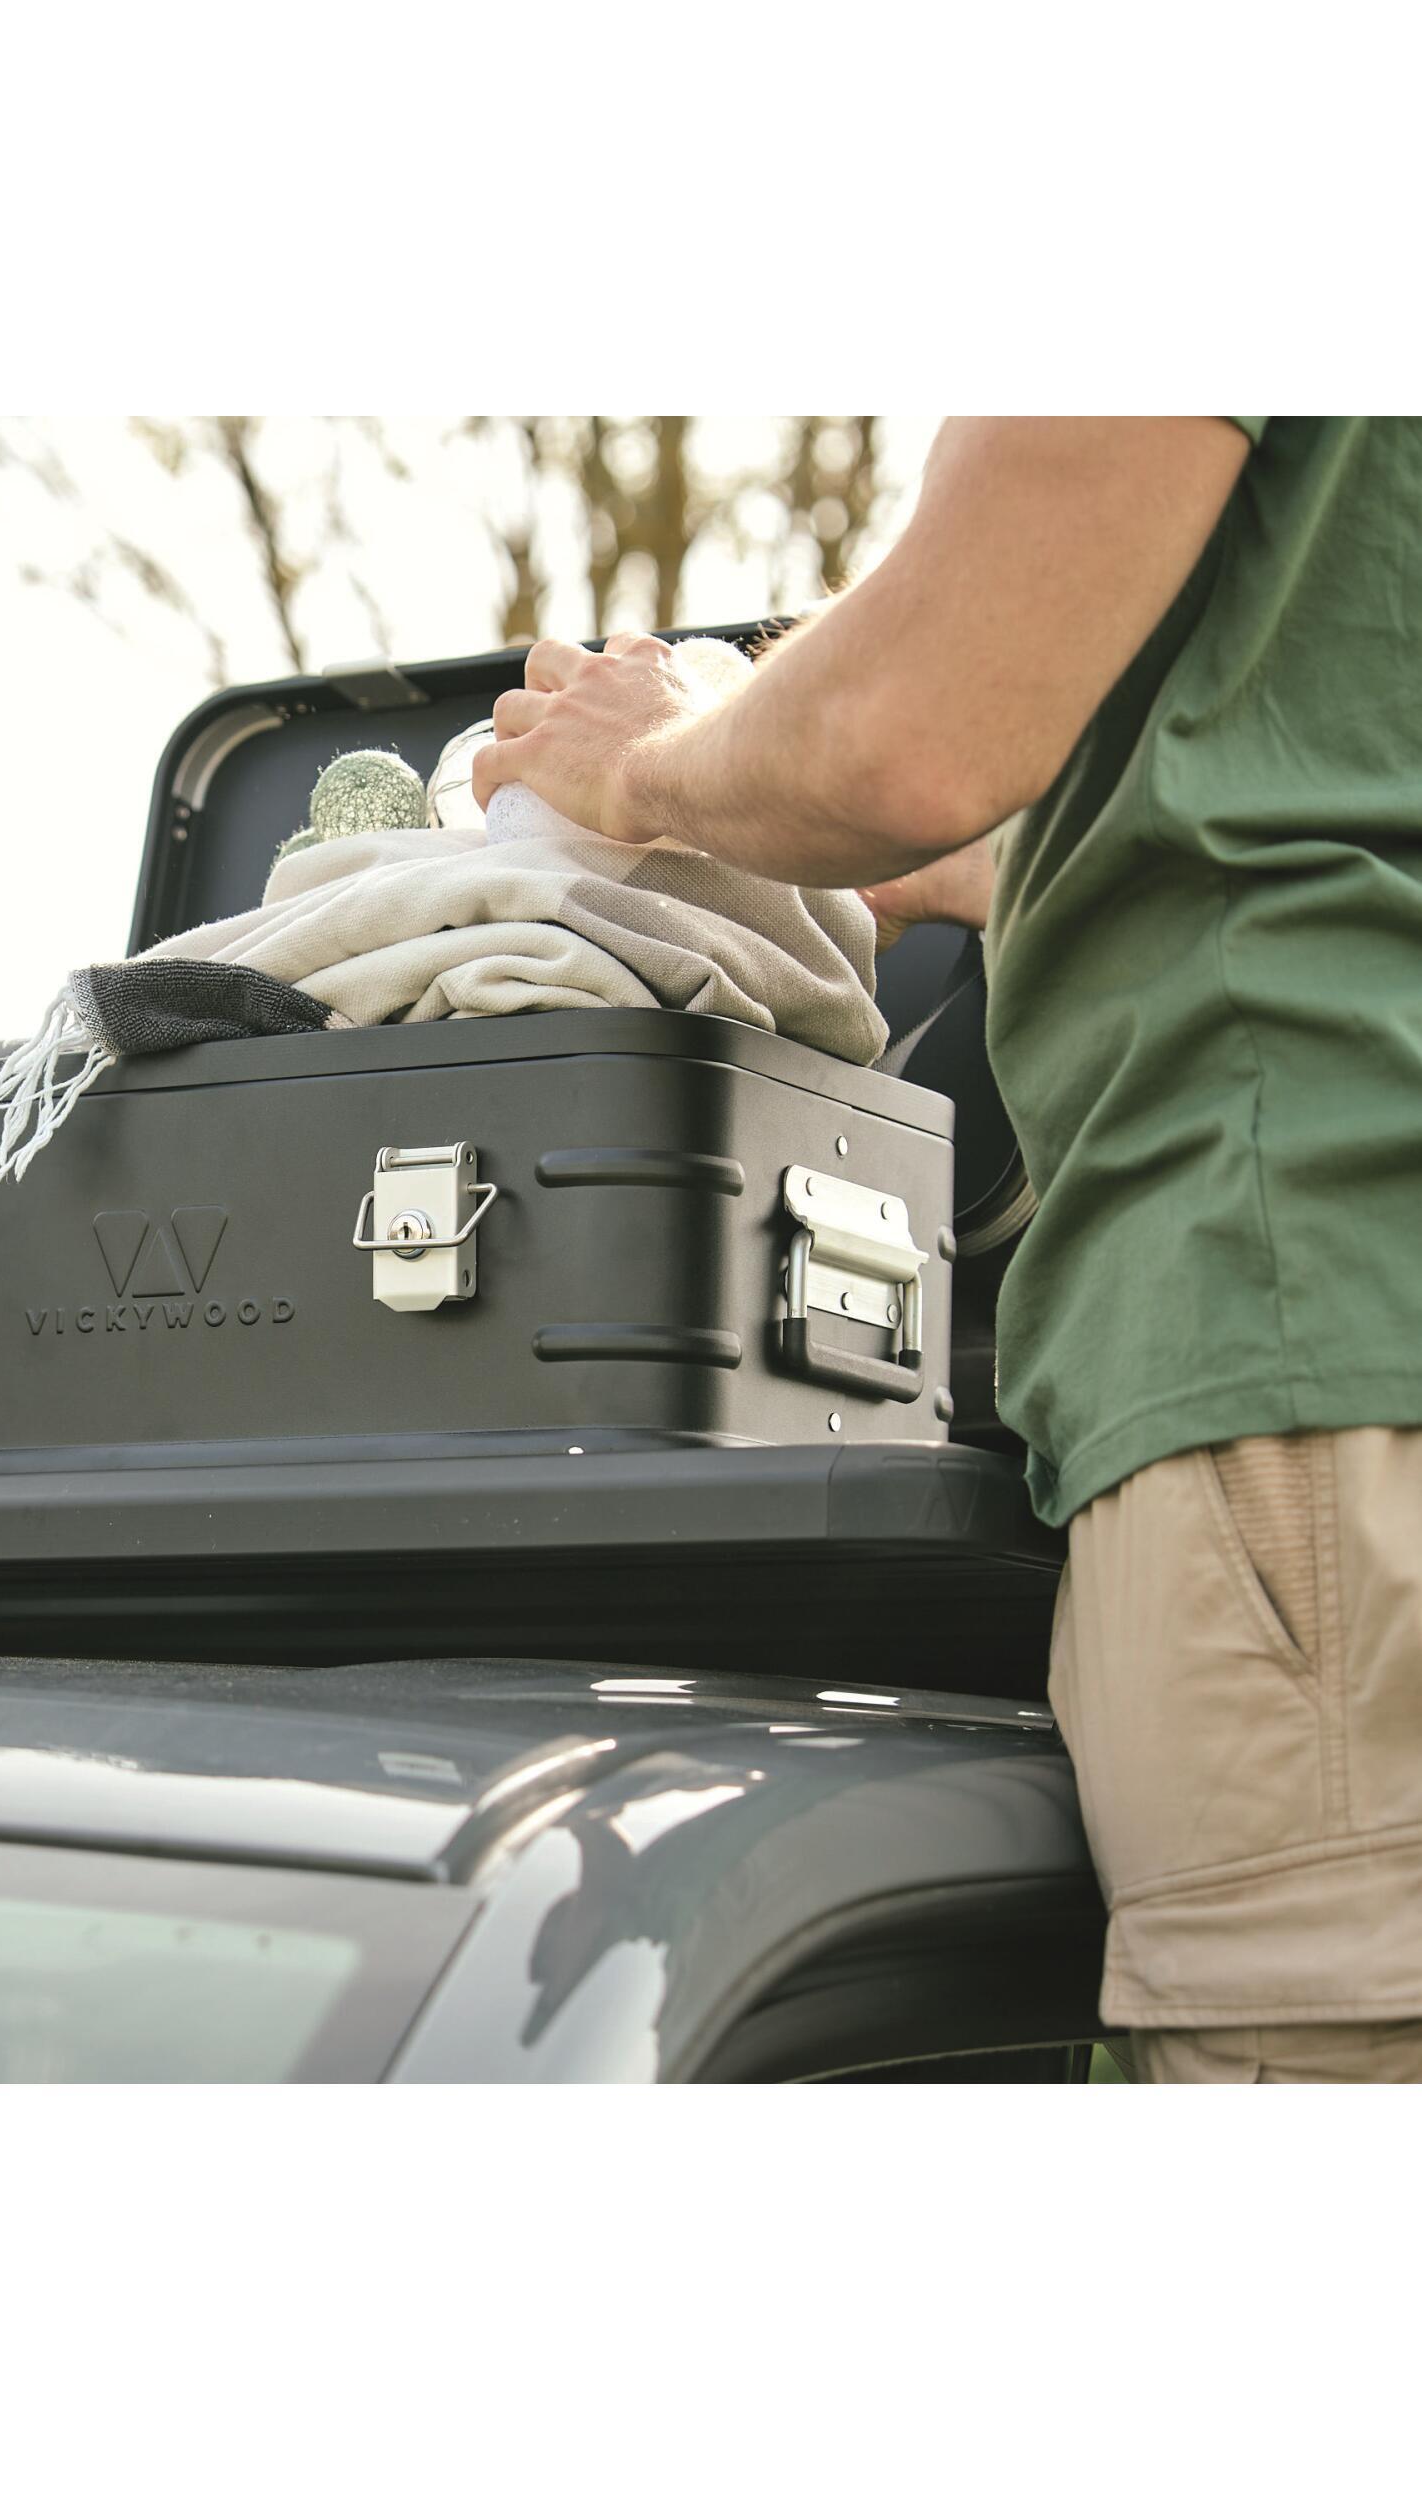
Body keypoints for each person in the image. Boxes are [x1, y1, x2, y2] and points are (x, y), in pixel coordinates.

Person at [476, 417, 1422, 2084]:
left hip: (1302, 1359)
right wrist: (989, 861)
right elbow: (1307, 754)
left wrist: (650, 758)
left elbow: (910, 732)